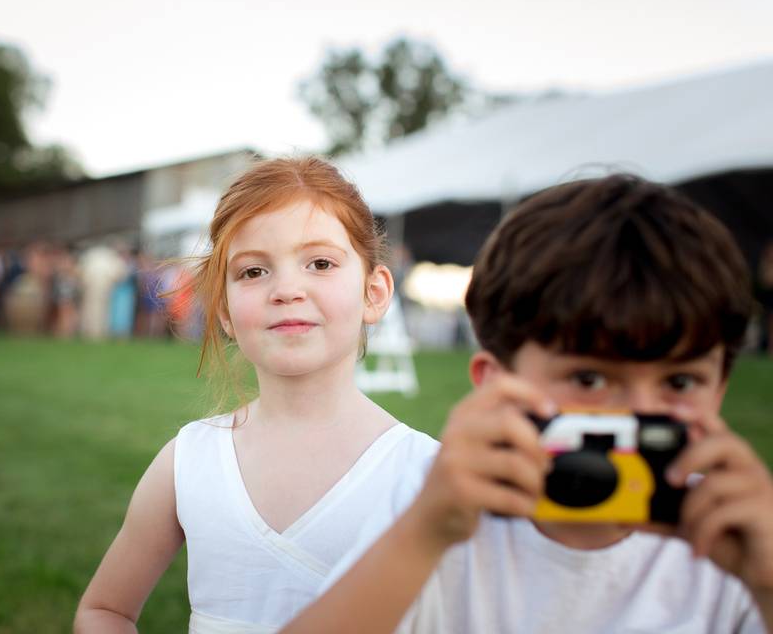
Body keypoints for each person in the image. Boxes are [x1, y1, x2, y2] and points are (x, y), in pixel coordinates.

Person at [282, 175, 773, 633]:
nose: (639, 412)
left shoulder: (735, 534)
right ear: (496, 385)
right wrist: (422, 533)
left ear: (721, 386)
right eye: (589, 377)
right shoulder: (438, 500)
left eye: (681, 381)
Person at [74, 156, 438, 633]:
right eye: (252, 272)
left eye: (320, 263)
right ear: (223, 311)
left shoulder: (428, 475)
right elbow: (104, 610)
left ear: (374, 292)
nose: (287, 289)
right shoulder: (188, 461)